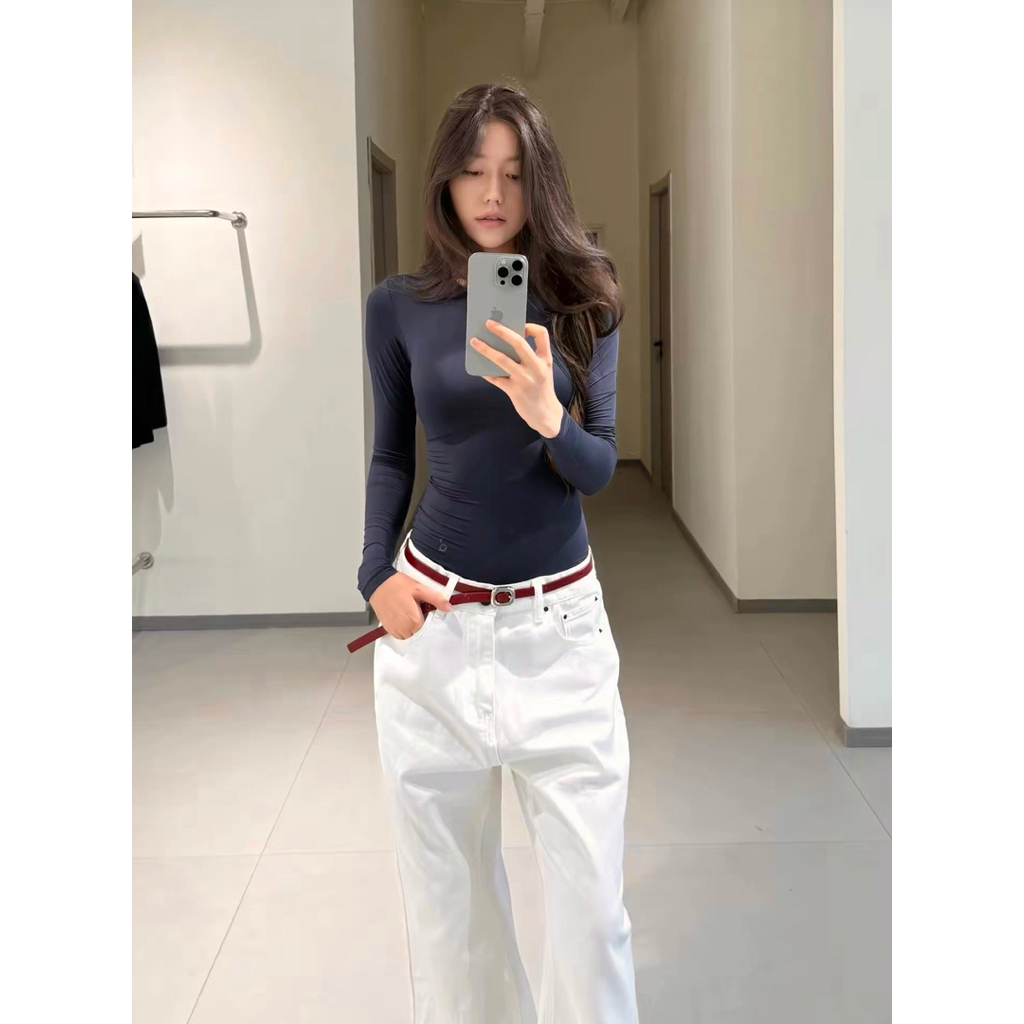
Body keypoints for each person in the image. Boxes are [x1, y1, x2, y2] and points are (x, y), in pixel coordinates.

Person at [351, 82, 638, 1023]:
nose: (491, 193)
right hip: (434, 630)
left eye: (514, 173)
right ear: (444, 179)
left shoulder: (587, 297)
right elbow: (392, 455)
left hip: (561, 636)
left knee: (592, 923)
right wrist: (374, 575)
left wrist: (549, 415)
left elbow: (597, 469)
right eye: (473, 170)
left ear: (538, 181)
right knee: (454, 927)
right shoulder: (397, 306)